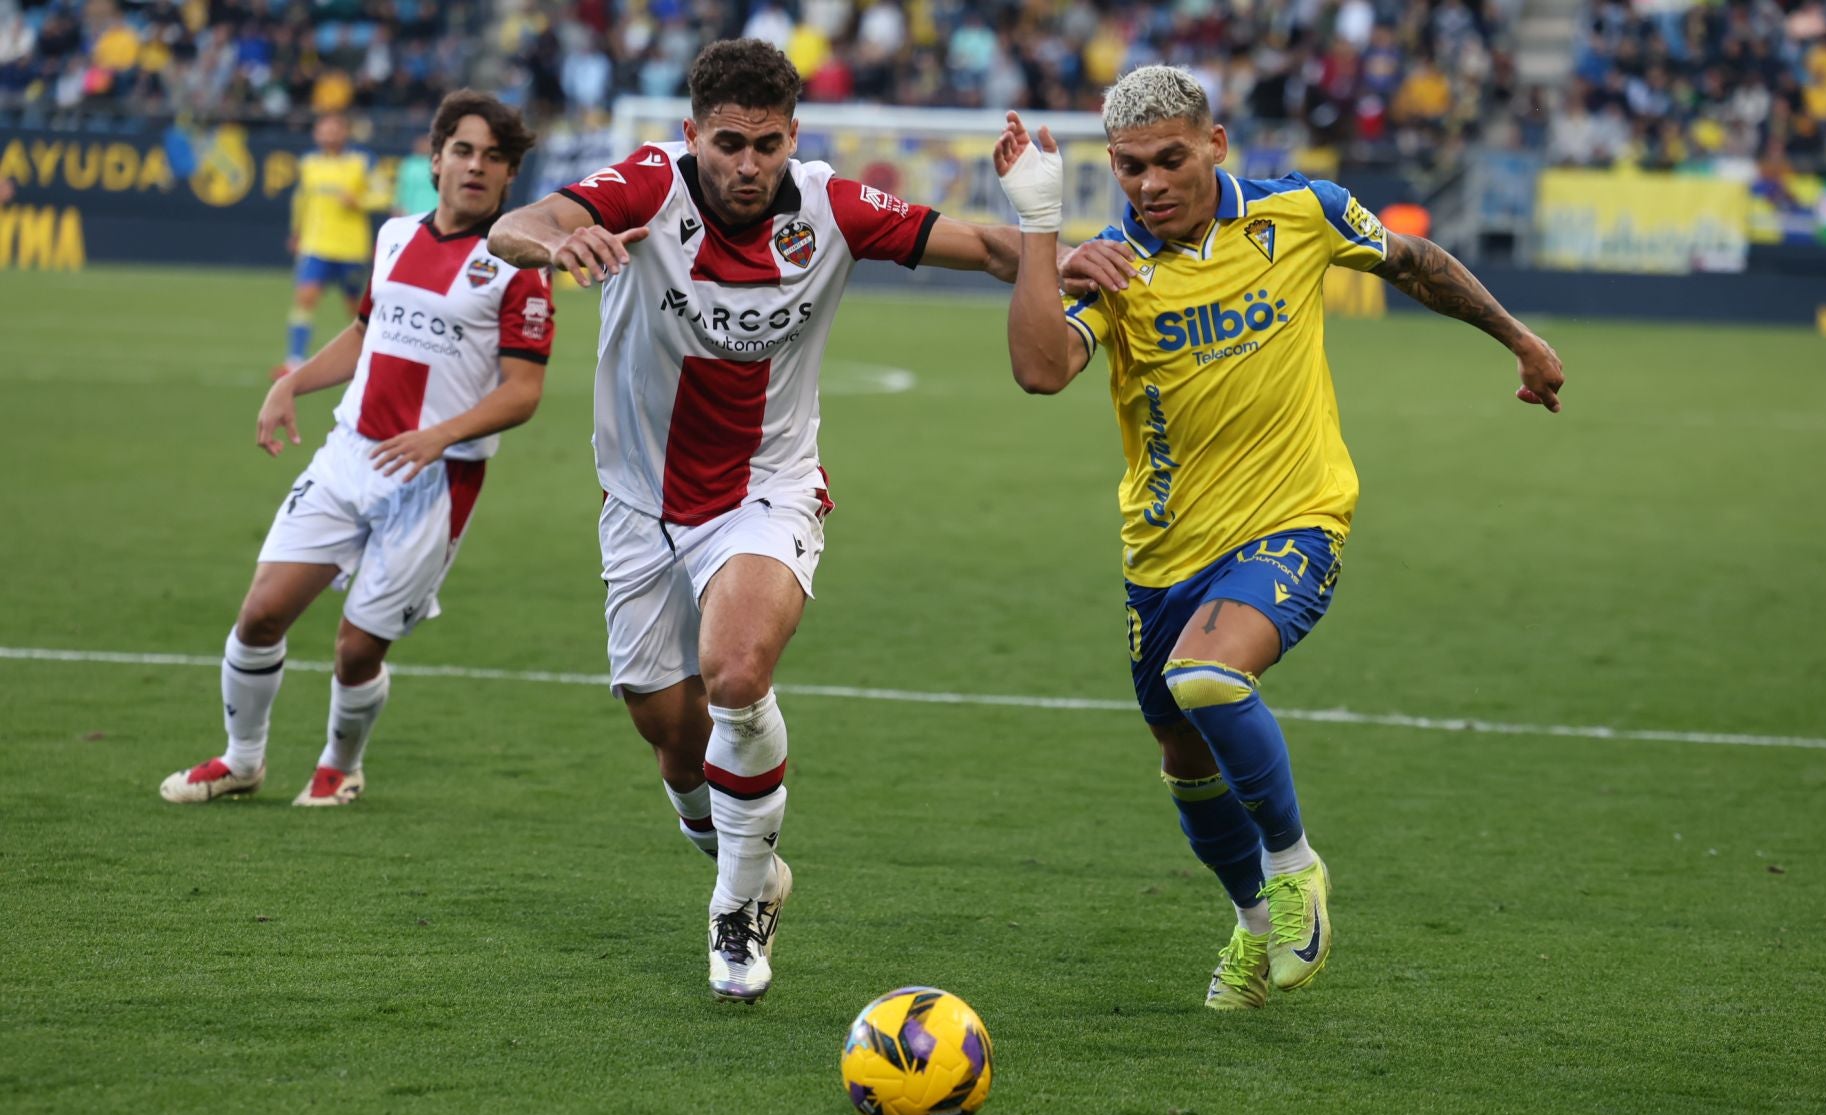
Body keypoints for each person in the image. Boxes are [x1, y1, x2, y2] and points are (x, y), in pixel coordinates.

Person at [488, 38, 1132, 1004]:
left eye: (770, 145)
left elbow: (978, 245)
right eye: (730, 143)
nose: (749, 165)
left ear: (795, 137)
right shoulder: (648, 186)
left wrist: (1056, 250)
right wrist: (554, 240)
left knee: (738, 672)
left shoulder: (830, 205)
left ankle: (739, 906)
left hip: (765, 487)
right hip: (639, 503)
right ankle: (743, 851)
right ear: (694, 134)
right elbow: (519, 222)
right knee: (670, 731)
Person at [994, 66, 1565, 1009]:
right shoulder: (1110, 264)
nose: (1151, 184)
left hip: (1295, 516)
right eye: (1131, 168)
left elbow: (1415, 264)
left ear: (1217, 146)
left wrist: (1519, 338)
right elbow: (1039, 370)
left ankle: (1296, 869)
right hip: (1163, 553)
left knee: (1209, 675)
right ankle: (1256, 928)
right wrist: (1042, 238)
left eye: (1171, 159)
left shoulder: (1303, 212)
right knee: (1182, 756)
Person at [161, 91, 554, 809]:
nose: (477, 166)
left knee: (356, 650)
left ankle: (340, 764)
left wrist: (439, 435)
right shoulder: (397, 236)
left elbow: (523, 390)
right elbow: (368, 330)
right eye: (463, 151)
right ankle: (242, 760)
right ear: (435, 160)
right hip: (350, 454)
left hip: (436, 479)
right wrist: (293, 386)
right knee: (259, 616)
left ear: (508, 177)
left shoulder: (517, 267)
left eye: (495, 158)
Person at [279, 114, 378, 379]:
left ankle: (365, 359)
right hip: (316, 245)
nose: (329, 135)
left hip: (351, 248)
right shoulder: (309, 163)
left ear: (345, 132)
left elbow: (382, 194)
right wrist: (297, 231)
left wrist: (358, 200)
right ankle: (294, 360)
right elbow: (302, 199)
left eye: (334, 129)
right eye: (323, 130)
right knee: (305, 298)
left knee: (355, 309)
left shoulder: (361, 162)